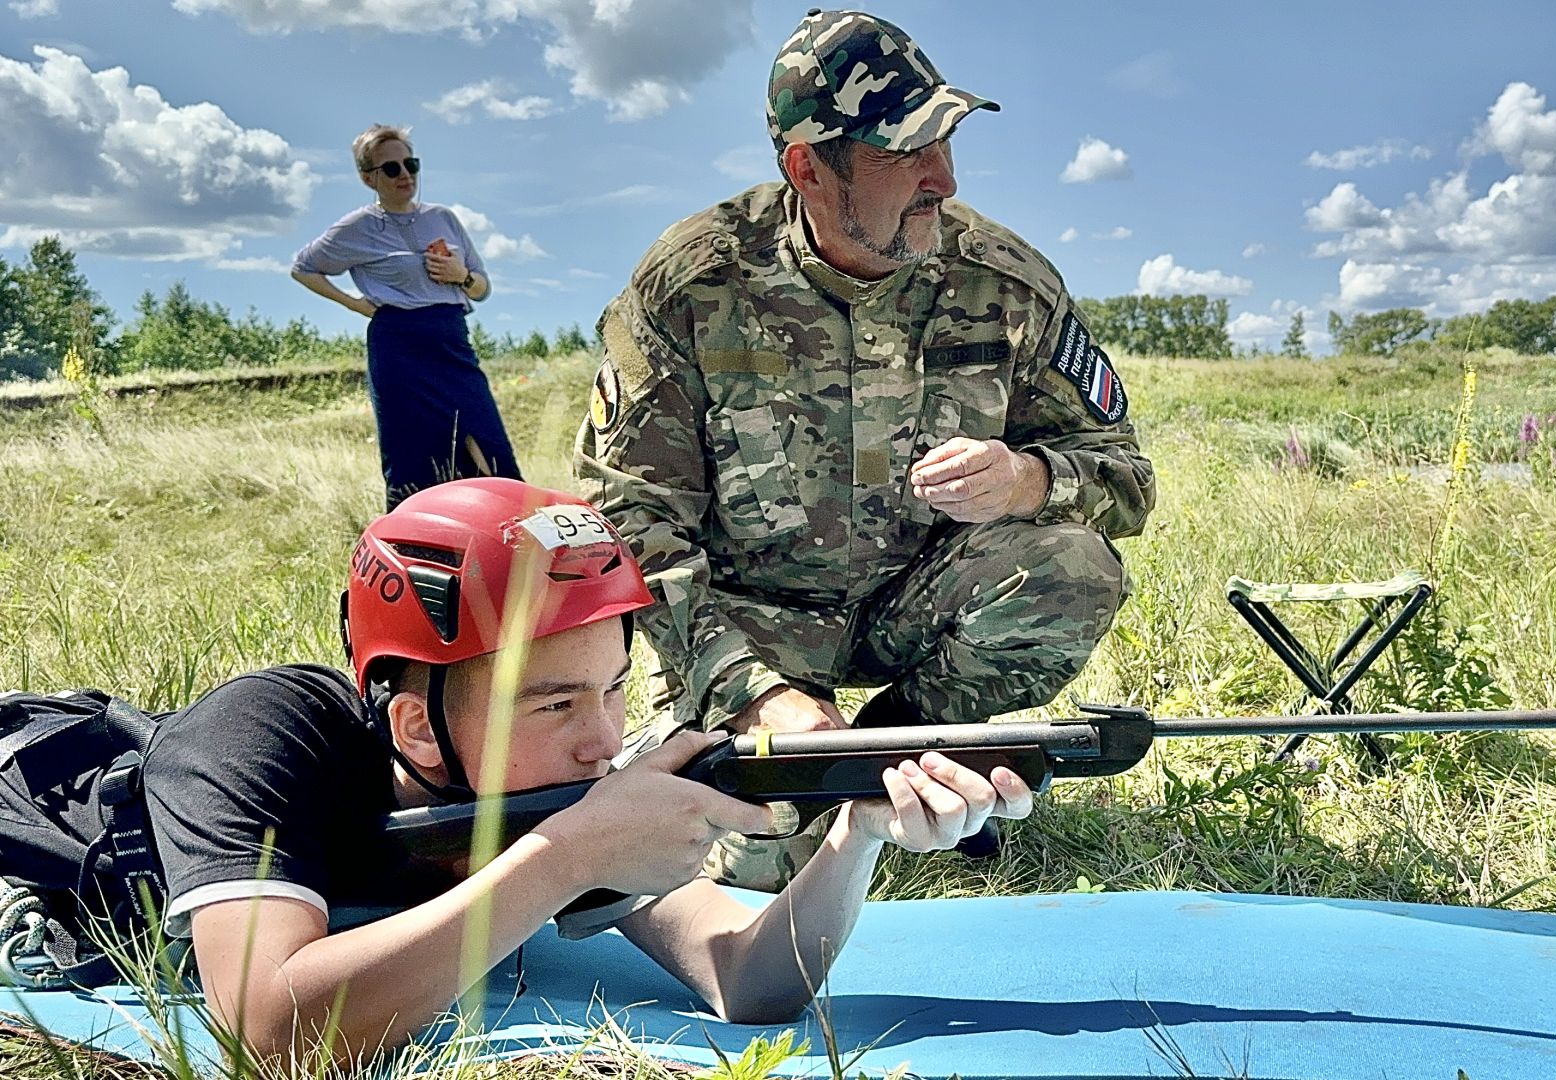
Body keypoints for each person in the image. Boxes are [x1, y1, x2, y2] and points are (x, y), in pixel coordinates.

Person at [0, 478, 1031, 1072]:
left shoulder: (544, 797)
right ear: (413, 718)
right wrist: (562, 856)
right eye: (554, 704)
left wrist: (856, 838)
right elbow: (271, 1037)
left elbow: (750, 981)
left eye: (615, 692)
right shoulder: (257, 741)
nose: (601, 741)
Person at [575, 9, 1155, 889]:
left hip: (911, 610)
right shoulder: (691, 285)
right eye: (905, 150)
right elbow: (629, 523)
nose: (943, 179)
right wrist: (753, 691)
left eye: (948, 141)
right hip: (750, 627)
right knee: (754, 873)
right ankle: (809, 770)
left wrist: (1028, 480)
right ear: (807, 167)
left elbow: (1127, 478)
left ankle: (901, 756)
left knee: (1074, 565)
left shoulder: (1004, 281)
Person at [291, 124, 522, 510]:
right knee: (411, 453)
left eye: (410, 164)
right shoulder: (357, 227)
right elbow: (303, 267)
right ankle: (416, 549)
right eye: (392, 168)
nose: (406, 175)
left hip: (450, 339)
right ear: (368, 177)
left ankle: (513, 541)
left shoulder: (444, 219)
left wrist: (461, 276)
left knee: (487, 445)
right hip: (397, 343)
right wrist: (353, 303)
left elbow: (483, 288)